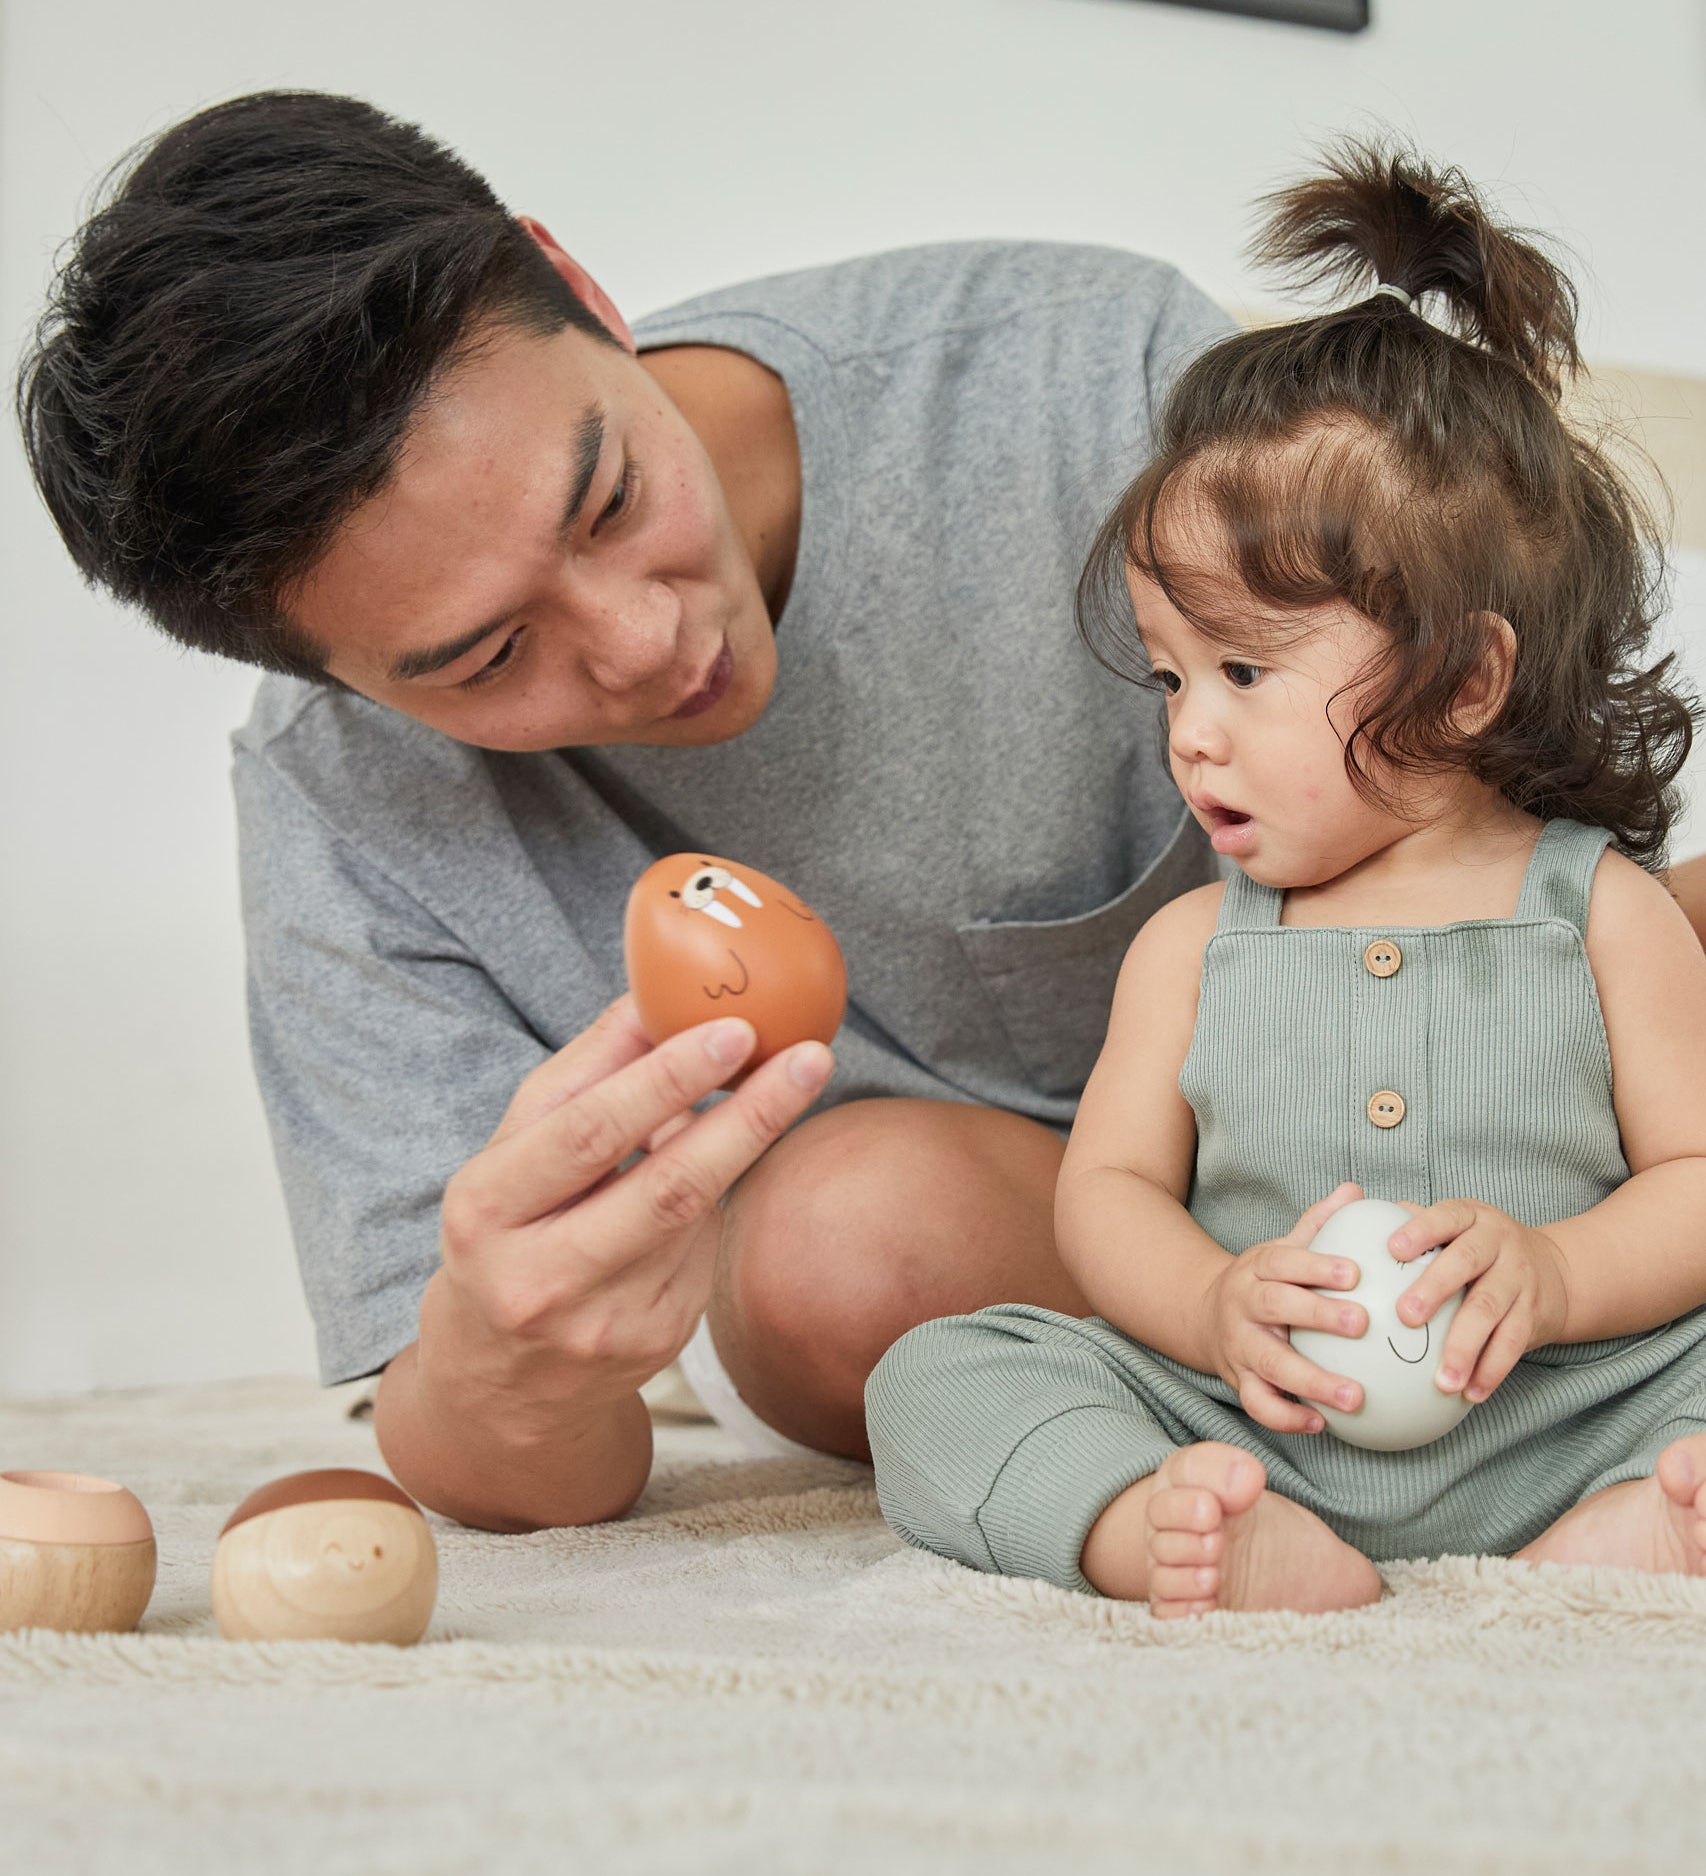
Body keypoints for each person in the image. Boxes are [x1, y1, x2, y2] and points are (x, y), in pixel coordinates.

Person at [16, 90, 1237, 1530]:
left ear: (582, 291)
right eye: (488, 658)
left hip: (1391, 1128)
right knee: (845, 1248)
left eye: (604, 500)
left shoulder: (1088, 383)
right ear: (340, 682)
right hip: (953, 1264)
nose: (640, 640)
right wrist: (496, 1362)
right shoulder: (337, 796)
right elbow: (510, 1468)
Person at [866, 141, 1706, 1614]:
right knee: (941, 1373)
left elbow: (1697, 1182)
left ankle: (1639, 1520)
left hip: (1567, 1410)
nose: (1190, 732)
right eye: (1171, 675)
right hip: (1264, 1424)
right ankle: (1159, 1519)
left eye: (1244, 669)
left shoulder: (1601, 915)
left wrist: (1560, 1277)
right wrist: (1207, 1305)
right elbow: (1110, 1190)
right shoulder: (1193, 947)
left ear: (1461, 685)